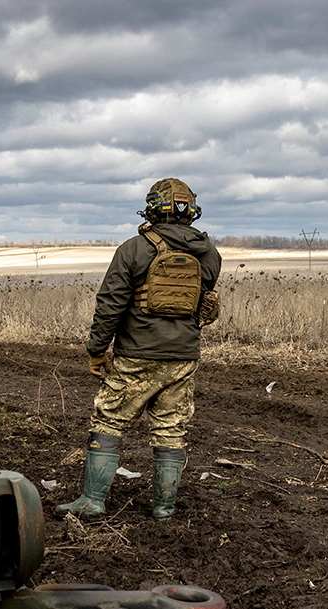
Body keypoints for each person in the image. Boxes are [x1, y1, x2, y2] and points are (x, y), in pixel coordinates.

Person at [57, 178, 222, 521]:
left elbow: (110, 305)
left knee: (109, 419)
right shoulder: (209, 253)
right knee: (171, 427)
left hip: (137, 355)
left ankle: (93, 500)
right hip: (184, 357)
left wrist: (97, 349)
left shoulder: (134, 249)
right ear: (190, 210)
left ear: (153, 207)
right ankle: (164, 508)